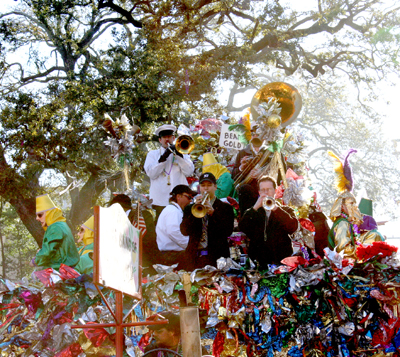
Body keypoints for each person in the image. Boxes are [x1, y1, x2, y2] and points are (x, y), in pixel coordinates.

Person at [239, 176, 298, 269]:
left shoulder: (286, 210)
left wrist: (276, 209)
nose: (266, 193)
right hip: (258, 263)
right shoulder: (253, 211)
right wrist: (255, 208)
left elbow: (292, 227)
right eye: (263, 190)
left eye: (269, 189)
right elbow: (242, 227)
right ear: (259, 192)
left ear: (275, 191)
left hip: (281, 262)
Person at [180, 172, 234, 270]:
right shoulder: (190, 208)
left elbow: (228, 231)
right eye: (203, 185)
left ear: (215, 187)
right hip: (195, 258)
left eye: (209, 185)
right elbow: (184, 231)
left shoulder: (226, 208)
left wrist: (213, 213)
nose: (206, 188)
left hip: (217, 258)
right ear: (199, 187)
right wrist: (194, 212)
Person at [144, 124, 194, 222]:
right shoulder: (152, 154)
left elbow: (189, 171)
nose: (167, 139)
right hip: (160, 200)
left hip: (179, 201)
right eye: (164, 137)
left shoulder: (183, 153)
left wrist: (180, 156)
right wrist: (163, 157)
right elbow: (151, 174)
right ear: (160, 140)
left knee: (179, 227)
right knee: (160, 227)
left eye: (169, 136)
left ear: (174, 138)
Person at [31, 194, 80, 269]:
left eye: (40, 215)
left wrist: (35, 261)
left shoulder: (55, 227)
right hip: (67, 270)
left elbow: (48, 252)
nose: (37, 218)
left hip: (61, 273)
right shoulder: (62, 225)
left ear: (50, 213)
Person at [156, 185, 197, 266]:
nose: (190, 201)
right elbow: (173, 232)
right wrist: (190, 246)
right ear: (178, 196)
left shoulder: (173, 210)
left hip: (171, 254)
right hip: (172, 254)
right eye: (189, 197)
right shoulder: (173, 211)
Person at [232, 123, 265, 214]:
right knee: (245, 189)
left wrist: (263, 174)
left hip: (265, 189)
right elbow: (233, 176)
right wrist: (241, 168)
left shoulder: (271, 152)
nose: (254, 136)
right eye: (253, 134)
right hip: (247, 191)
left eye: (258, 134)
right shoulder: (242, 153)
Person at [143, 311, 208, 357]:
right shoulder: (152, 350)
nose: (154, 334)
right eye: (154, 331)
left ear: (172, 331)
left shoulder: (195, 349)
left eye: (159, 331)